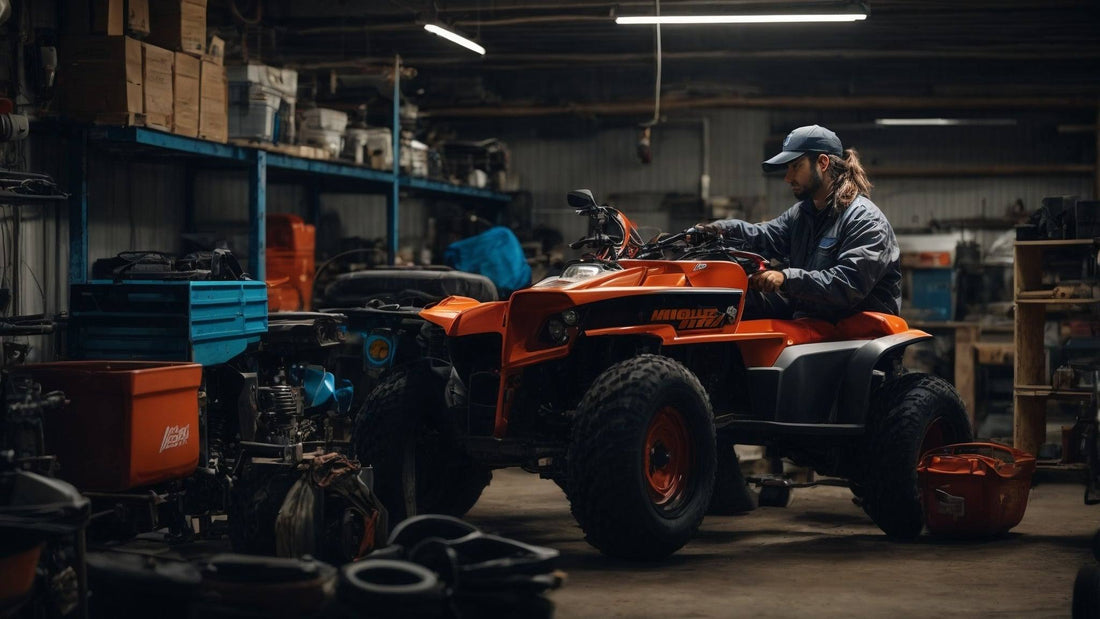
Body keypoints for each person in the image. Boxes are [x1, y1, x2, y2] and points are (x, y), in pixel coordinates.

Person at [691, 124, 901, 322]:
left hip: (853, 331)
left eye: (796, 166)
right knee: (730, 304)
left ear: (823, 163)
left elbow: (847, 285)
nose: (788, 177)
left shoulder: (864, 219)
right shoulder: (802, 213)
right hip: (814, 317)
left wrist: (786, 278)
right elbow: (764, 236)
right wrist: (718, 230)